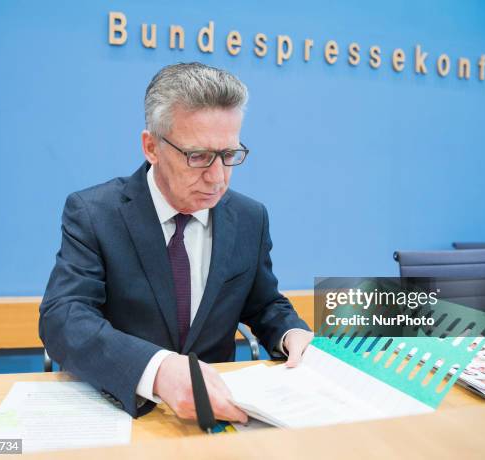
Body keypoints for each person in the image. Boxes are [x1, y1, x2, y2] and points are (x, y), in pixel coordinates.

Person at [39, 62, 313, 423]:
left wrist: (291, 333)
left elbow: (262, 304)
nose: (218, 178)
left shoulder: (249, 217)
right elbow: (63, 317)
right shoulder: (94, 213)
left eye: (229, 155)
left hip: (219, 417)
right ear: (151, 147)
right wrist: (158, 369)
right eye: (198, 156)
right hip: (124, 410)